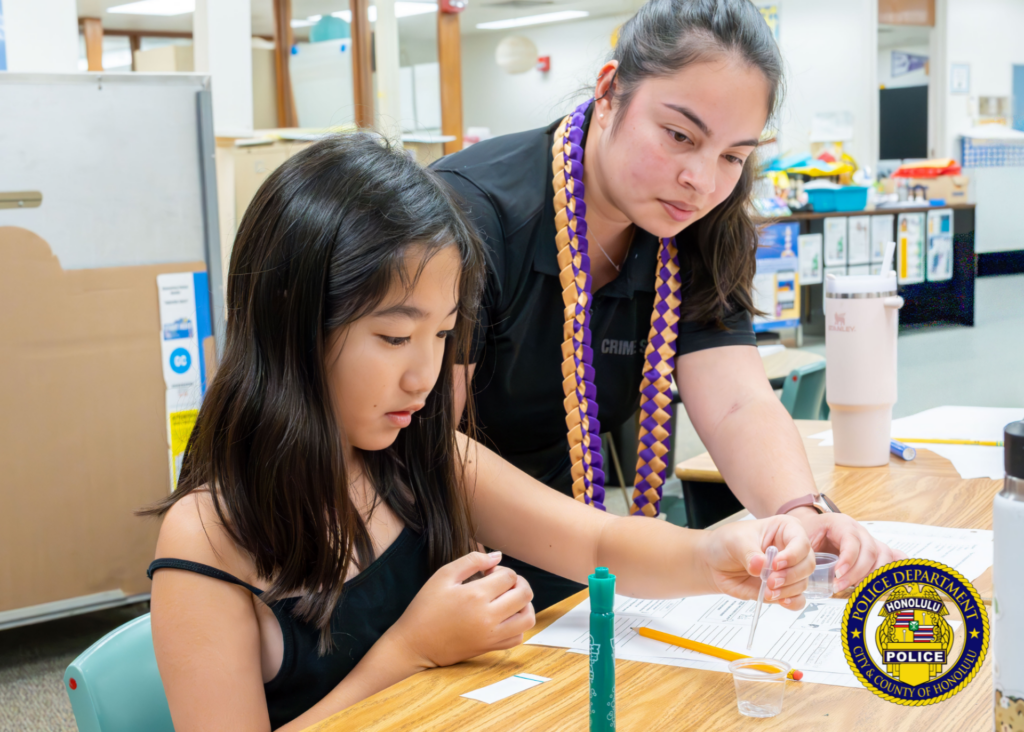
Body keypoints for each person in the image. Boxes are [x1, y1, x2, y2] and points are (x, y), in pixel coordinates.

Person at [142, 135, 815, 731]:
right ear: (293, 324)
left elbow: (598, 540)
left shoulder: (420, 458)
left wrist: (713, 554)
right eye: (395, 336)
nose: (423, 376)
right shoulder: (209, 540)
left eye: (441, 335)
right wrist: (409, 652)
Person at [432, 0, 903, 612]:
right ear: (609, 93)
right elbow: (432, 443)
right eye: (680, 136)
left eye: (733, 155)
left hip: (583, 557)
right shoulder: (471, 213)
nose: (702, 181)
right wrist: (633, 549)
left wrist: (799, 511)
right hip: (449, 558)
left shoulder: (705, 228)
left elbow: (736, 400)